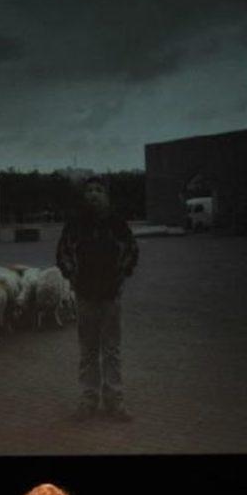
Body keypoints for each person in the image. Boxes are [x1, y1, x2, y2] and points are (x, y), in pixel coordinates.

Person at [56, 177, 139, 421]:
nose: (93, 194)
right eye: (89, 190)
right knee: (88, 350)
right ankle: (88, 399)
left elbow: (132, 251)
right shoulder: (75, 224)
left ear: (106, 196)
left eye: (99, 190)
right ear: (84, 196)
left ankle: (115, 401)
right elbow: (62, 254)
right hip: (85, 296)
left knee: (111, 350)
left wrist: (122, 275)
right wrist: (72, 276)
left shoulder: (116, 223)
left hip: (111, 296)